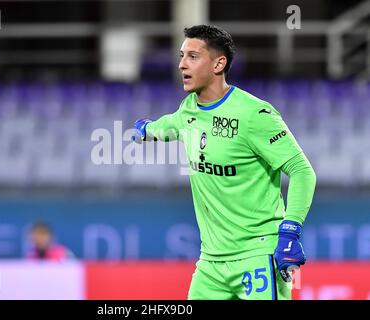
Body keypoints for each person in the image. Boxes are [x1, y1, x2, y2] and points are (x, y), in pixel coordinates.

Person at [132, 25, 316, 300]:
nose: (182, 64)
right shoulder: (189, 109)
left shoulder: (255, 114)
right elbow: (171, 124)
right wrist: (147, 130)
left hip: (257, 255)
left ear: (219, 63)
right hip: (210, 265)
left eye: (193, 57)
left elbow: (302, 171)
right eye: (182, 56)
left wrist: (291, 231)